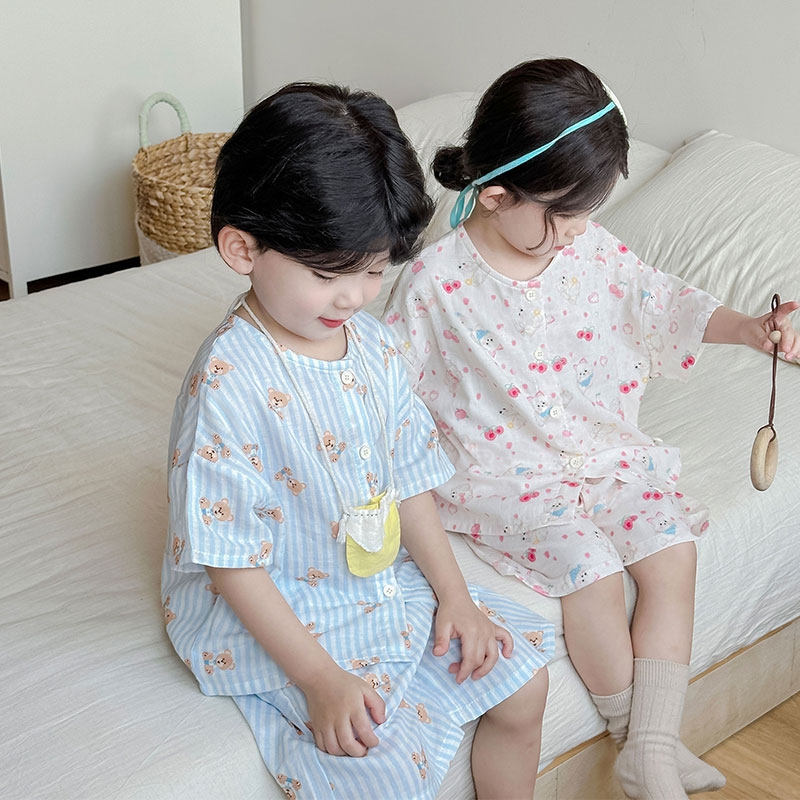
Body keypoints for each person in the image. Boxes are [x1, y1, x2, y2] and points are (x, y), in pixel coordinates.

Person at [383, 58, 799, 800]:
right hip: (505, 480)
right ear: (498, 193)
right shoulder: (433, 285)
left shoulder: (591, 251)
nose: (578, 232)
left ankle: (652, 749)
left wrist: (751, 330)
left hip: (601, 455)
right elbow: (385, 398)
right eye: (565, 216)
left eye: (588, 214)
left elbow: (661, 303)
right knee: (593, 573)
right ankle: (641, 745)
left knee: (672, 550)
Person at [161, 81, 554, 800]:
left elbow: (408, 480)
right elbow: (230, 564)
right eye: (326, 275)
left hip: (368, 577)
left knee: (523, 685)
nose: (354, 296)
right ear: (242, 247)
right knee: (379, 771)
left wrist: (455, 596)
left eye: (374, 271)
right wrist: (319, 680)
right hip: (276, 605)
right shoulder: (229, 383)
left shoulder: (371, 345)